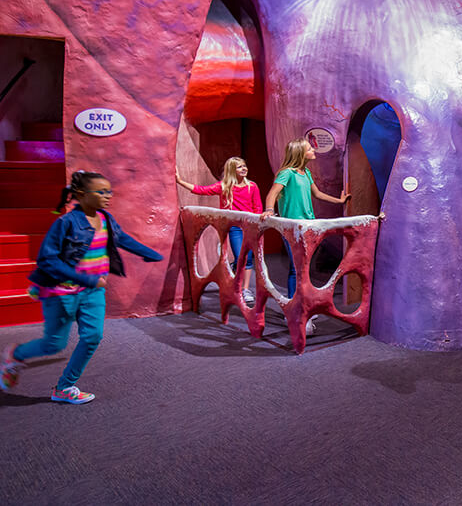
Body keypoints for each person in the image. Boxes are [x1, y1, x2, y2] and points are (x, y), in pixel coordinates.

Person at [1, 171, 162, 403]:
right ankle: (14, 355)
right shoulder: (65, 223)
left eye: (109, 191)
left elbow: (121, 238)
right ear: (81, 195)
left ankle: (64, 387)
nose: (108, 196)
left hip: (93, 291)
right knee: (53, 344)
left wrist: (149, 254)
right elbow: (47, 259)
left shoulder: (106, 218)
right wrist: (85, 279)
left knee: (93, 336)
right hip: (61, 291)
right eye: (101, 192)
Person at [261, 139, 349, 334]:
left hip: (309, 225)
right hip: (292, 227)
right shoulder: (287, 173)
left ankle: (303, 304)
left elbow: (317, 194)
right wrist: (268, 209)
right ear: (300, 152)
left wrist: (340, 200)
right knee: (296, 268)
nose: (313, 150)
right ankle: (292, 309)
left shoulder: (306, 173)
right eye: (309, 148)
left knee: (305, 268)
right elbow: (273, 194)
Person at [176, 157, 263, 304]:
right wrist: (180, 181)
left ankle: (246, 289)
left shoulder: (252, 186)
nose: (244, 169)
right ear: (231, 170)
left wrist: (257, 224)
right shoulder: (224, 186)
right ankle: (235, 268)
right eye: (239, 167)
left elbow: (257, 207)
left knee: (247, 258)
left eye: (244, 166)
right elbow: (201, 190)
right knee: (239, 255)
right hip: (235, 228)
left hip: (249, 227)